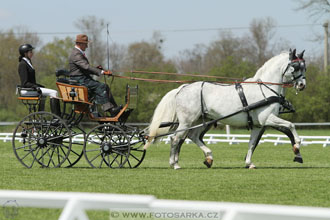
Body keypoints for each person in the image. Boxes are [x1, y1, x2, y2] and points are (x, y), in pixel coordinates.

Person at [68, 34, 121, 116]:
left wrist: (98, 69)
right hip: (80, 80)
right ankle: (110, 109)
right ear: (81, 44)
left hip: (83, 79)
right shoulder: (76, 54)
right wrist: (102, 72)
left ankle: (114, 109)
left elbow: (84, 68)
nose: (87, 46)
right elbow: (86, 67)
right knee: (101, 86)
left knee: (105, 87)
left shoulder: (78, 53)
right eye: (86, 44)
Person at [18, 44, 59, 112]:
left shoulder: (28, 62)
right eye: (30, 52)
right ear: (25, 53)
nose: (32, 53)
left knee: (47, 91)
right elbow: (25, 83)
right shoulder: (23, 64)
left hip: (30, 88)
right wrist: (36, 86)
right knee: (54, 93)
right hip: (27, 90)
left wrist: (39, 86)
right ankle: (56, 116)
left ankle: (41, 112)